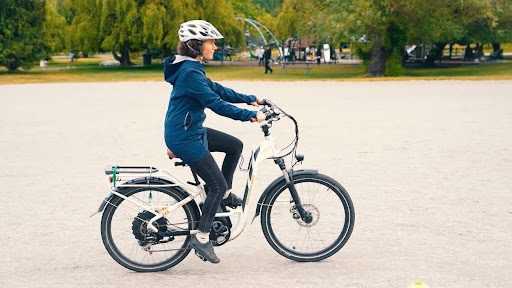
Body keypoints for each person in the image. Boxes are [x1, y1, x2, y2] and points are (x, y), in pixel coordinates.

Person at [163, 20, 265, 264]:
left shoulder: (193, 68)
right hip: (185, 137)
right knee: (215, 185)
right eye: (210, 43)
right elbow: (215, 103)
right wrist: (250, 116)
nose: (214, 47)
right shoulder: (189, 73)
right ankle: (202, 236)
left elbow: (218, 90)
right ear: (196, 45)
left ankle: (225, 195)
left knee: (234, 146)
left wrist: (251, 99)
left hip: (191, 130)